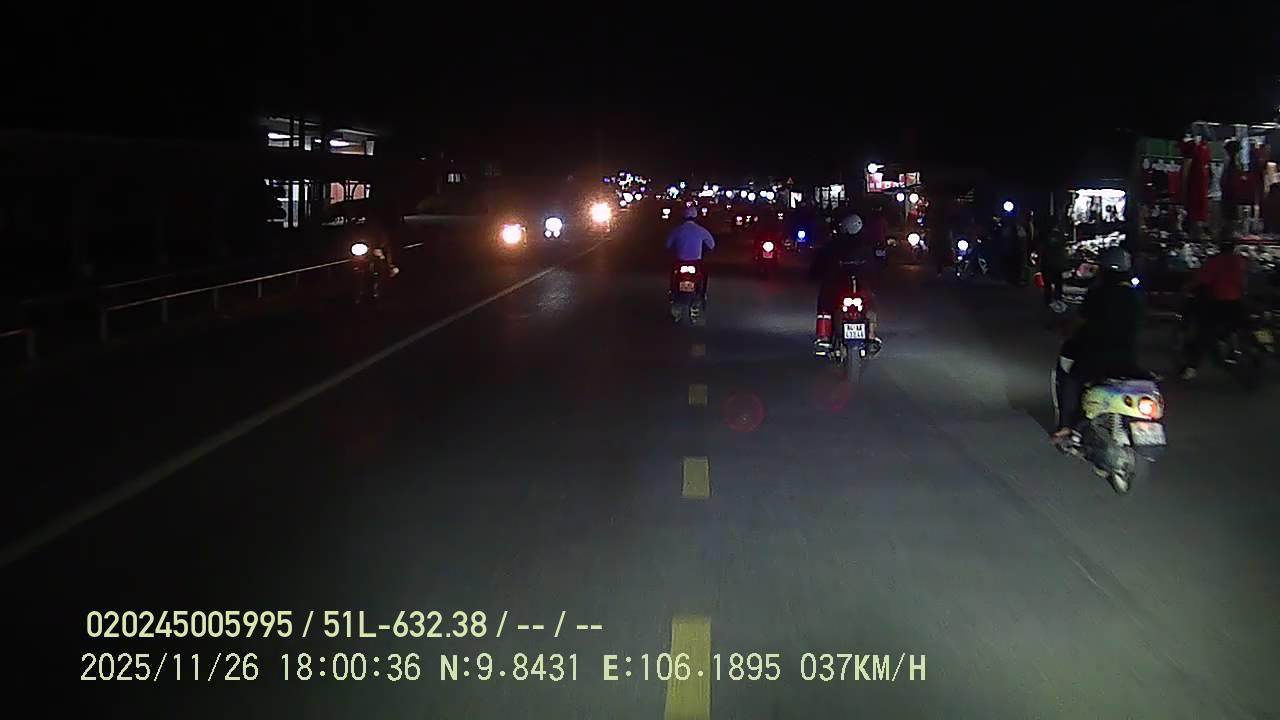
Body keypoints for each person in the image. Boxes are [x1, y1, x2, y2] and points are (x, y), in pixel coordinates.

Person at [1050, 246, 1143, 443]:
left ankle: (1067, 426)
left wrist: (1064, 328)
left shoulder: (1099, 293)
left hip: (1097, 356)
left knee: (1071, 379)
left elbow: (1080, 320)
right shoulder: (1135, 295)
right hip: (1127, 357)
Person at [1179, 234, 1247, 380]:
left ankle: (1191, 368)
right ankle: (1230, 351)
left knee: (1202, 334)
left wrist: (1187, 287)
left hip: (1219, 304)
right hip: (1237, 304)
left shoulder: (1216, 262)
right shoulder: (1239, 261)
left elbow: (1201, 280)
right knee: (1231, 328)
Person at [810, 212, 877, 349]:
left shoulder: (834, 245)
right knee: (870, 306)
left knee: (825, 305)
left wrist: (814, 274)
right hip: (850, 285)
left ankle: (824, 336)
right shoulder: (865, 245)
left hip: (843, 285)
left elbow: (819, 263)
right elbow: (875, 266)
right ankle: (871, 336)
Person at [666, 206, 715, 300]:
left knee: (673, 274)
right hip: (696, 261)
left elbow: (668, 244)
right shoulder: (701, 230)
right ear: (696, 217)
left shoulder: (677, 229)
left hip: (680, 261)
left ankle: (672, 292)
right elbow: (711, 244)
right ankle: (703, 294)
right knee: (704, 274)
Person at [1040, 227, 1070, 308]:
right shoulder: (1060, 241)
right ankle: (1057, 299)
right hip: (1055, 265)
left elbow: (1043, 253)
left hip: (1049, 264)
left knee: (1049, 284)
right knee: (1057, 283)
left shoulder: (1046, 241)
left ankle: (1049, 300)